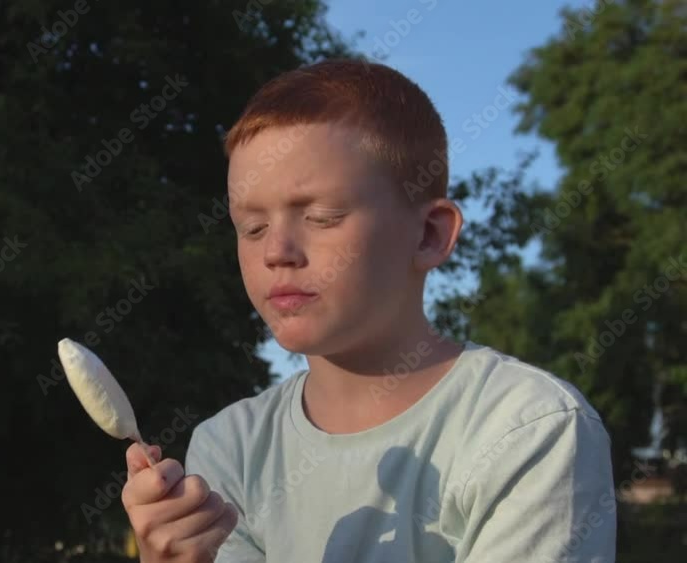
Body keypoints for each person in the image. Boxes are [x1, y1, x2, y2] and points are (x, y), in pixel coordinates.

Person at [120, 59, 616, 563]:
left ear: (429, 235)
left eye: (321, 216)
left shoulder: (528, 430)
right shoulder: (230, 448)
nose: (277, 251)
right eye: (251, 228)